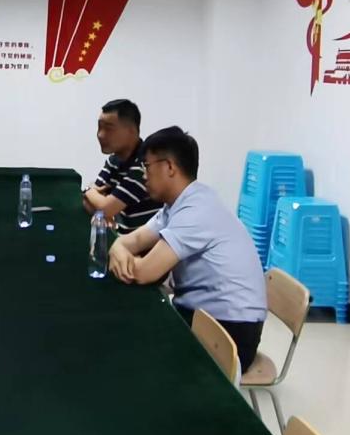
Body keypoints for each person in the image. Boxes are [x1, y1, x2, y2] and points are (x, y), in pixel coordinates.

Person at [108, 126, 267, 371]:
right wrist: (119, 247)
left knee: (129, 343)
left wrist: (120, 252)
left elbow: (143, 272)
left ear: (169, 167)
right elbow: (133, 240)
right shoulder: (178, 204)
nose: (144, 176)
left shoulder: (196, 211)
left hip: (231, 331)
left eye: (147, 167)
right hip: (206, 315)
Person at [82, 99, 161, 234]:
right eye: (99, 127)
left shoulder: (145, 165)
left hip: (148, 243)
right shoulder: (113, 161)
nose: (100, 135)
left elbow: (105, 207)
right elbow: (87, 204)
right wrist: (99, 204)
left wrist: (89, 190)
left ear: (131, 131)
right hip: (123, 240)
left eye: (108, 129)